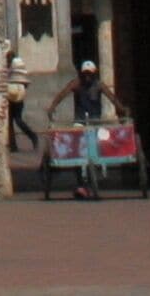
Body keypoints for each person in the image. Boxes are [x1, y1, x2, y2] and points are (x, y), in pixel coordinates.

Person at [48, 59, 121, 200]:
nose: (87, 77)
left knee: (104, 143)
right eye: (85, 74)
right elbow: (62, 94)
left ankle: (98, 171)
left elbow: (112, 98)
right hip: (80, 122)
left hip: (95, 121)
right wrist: (52, 107)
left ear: (94, 74)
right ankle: (80, 183)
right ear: (81, 74)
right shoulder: (76, 84)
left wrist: (121, 108)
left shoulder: (99, 85)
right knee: (76, 149)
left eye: (90, 74)